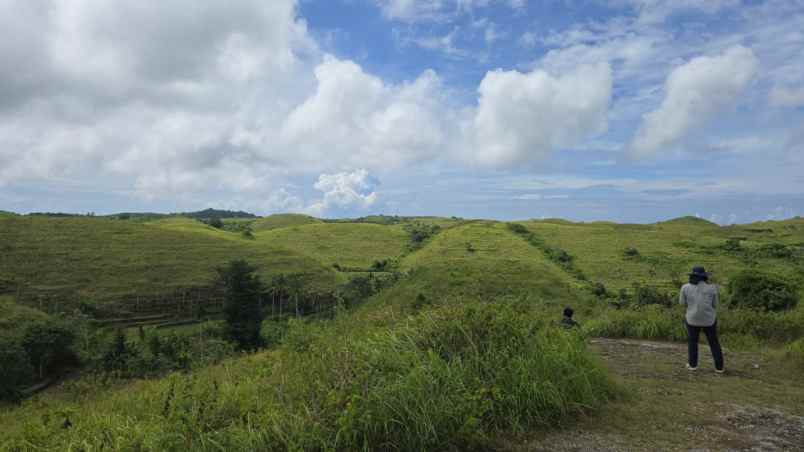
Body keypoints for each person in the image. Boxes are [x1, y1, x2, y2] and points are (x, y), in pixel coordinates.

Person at [679, 266, 724, 373]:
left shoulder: (685, 287)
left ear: (692, 276)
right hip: (709, 320)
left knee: (693, 341)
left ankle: (692, 365)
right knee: (714, 342)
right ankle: (719, 368)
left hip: (692, 319)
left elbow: (682, 303)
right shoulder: (712, 288)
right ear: (704, 277)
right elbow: (715, 304)